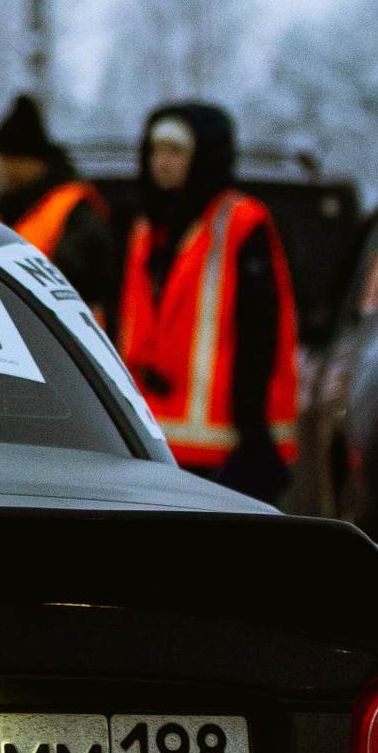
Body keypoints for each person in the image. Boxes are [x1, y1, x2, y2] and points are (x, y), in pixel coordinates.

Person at [115, 101, 299, 499]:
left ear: (203, 157)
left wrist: (253, 429)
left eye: (175, 151)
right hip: (154, 438)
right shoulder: (146, 227)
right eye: (155, 150)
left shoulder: (239, 222)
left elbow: (259, 330)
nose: (160, 162)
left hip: (225, 444)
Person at [0, 93, 120, 318]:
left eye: (11, 160)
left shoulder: (72, 207)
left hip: (66, 338)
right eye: (1, 161)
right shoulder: (4, 207)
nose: (4, 170)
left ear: (33, 160)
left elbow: (84, 281)